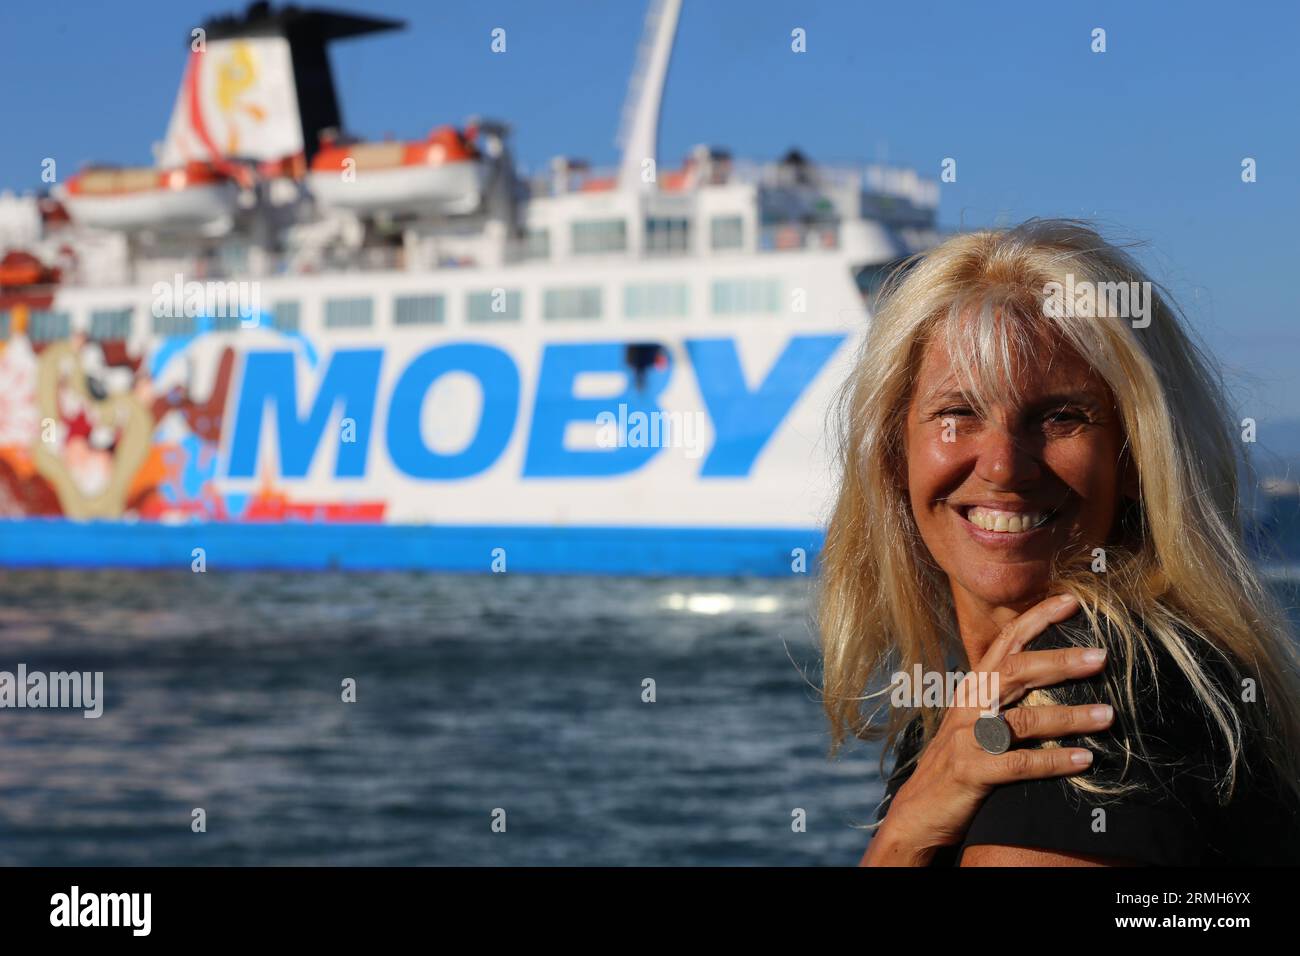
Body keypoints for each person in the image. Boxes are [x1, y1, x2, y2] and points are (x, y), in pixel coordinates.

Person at [816, 219, 1300, 866]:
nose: (1002, 467)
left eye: (1060, 417)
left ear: (1136, 458)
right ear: (892, 454)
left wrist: (899, 842)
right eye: (958, 413)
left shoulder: (1087, 698)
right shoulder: (975, 706)